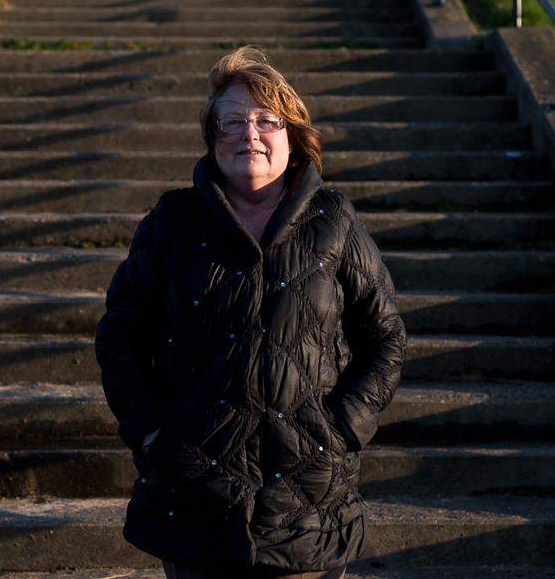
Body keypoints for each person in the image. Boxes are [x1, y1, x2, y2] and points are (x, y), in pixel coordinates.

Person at [95, 47, 406, 578]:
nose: (250, 134)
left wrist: (344, 427)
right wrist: (153, 434)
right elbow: (121, 338)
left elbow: (385, 337)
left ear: (293, 136)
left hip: (307, 496)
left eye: (267, 120)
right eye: (232, 121)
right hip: (195, 494)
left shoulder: (335, 222)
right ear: (213, 137)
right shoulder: (172, 222)